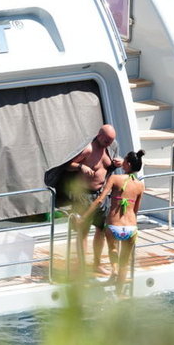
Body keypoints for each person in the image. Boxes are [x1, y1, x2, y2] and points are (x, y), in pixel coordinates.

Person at [79, 149, 145, 296]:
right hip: (131, 228)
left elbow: (100, 200)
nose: (122, 163)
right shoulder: (140, 185)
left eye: (125, 161)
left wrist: (84, 217)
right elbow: (136, 210)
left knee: (113, 250)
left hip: (115, 226)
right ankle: (120, 294)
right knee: (124, 263)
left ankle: (114, 270)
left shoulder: (115, 179)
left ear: (128, 164)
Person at [65, 124, 123, 274]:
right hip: (84, 195)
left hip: (102, 195)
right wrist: (80, 167)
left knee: (101, 229)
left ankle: (97, 263)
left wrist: (119, 163)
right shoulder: (88, 149)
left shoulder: (111, 147)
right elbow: (67, 165)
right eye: (107, 141)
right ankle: (82, 267)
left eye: (111, 141)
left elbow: (109, 166)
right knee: (83, 231)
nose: (109, 144)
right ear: (99, 136)